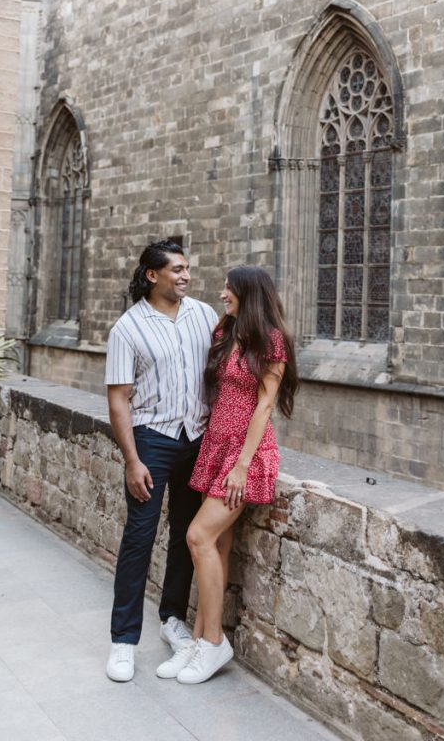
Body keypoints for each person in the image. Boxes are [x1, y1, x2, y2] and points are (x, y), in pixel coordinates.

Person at [155, 265, 298, 684]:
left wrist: (241, 465)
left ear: (249, 294)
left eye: (229, 289)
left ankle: (214, 642)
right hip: (214, 447)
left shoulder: (271, 340)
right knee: (215, 546)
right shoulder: (225, 332)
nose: (222, 294)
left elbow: (265, 406)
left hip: (245, 454)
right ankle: (201, 638)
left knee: (197, 536)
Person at [104, 239, 218, 683]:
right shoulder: (128, 329)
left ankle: (172, 619)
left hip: (197, 439)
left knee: (186, 536)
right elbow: (118, 401)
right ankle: (123, 640)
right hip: (152, 440)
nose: (185, 276)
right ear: (153, 275)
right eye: (176, 269)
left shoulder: (204, 315)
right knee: (139, 536)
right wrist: (132, 459)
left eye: (187, 268)